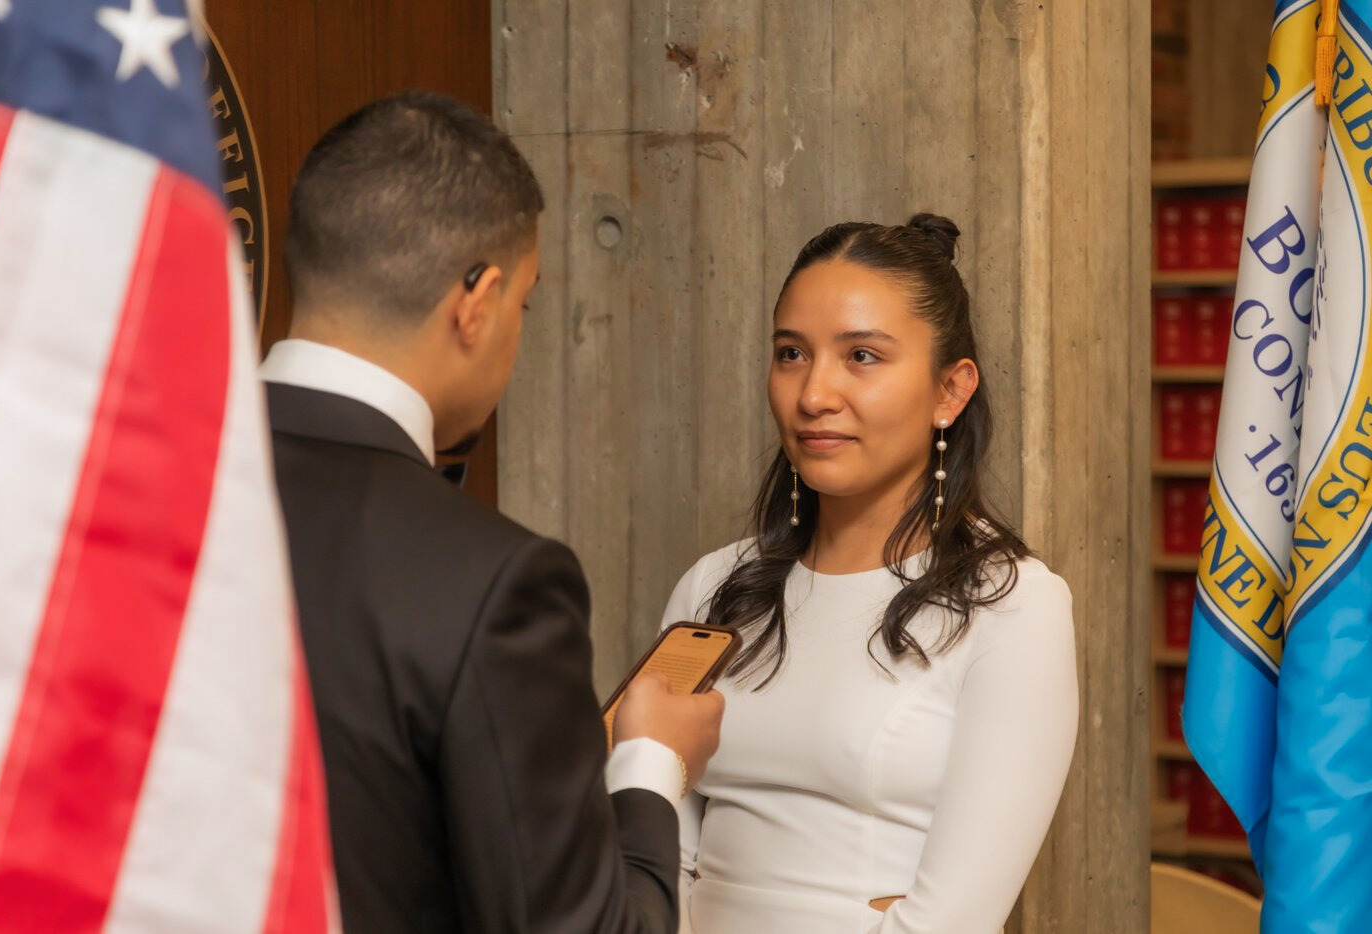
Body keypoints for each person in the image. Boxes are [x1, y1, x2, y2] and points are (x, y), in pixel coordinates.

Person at [263, 91, 723, 932]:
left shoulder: (120, 485)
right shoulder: (493, 581)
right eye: (525, 306)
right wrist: (651, 767)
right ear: (475, 302)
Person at [662, 217, 1078, 932]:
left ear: (950, 391)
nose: (814, 393)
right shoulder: (714, 587)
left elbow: (949, 922)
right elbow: (651, 852)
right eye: (791, 353)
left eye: (861, 356)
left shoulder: (1014, 608)